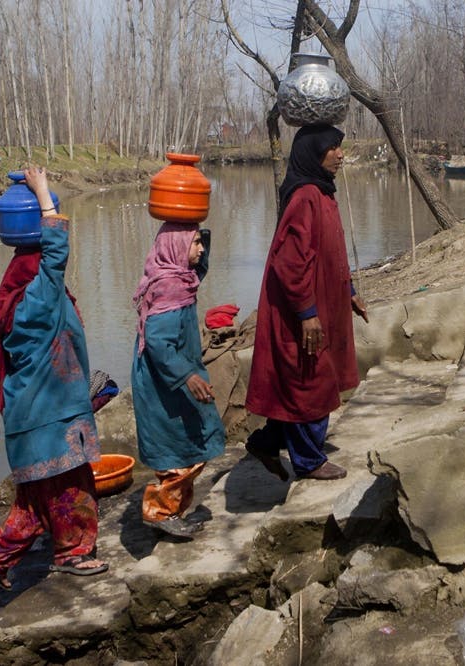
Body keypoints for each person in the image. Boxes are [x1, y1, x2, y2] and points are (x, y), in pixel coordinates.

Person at [0, 165, 107, 589]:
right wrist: (45, 193)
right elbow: (55, 255)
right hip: (49, 417)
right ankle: (73, 553)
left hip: (28, 415)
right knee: (72, 490)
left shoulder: (11, 302)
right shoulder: (37, 300)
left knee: (34, 500)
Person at [244, 124, 369, 482]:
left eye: (340, 148)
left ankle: (267, 442)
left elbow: (329, 255)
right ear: (312, 153)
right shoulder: (303, 198)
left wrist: (349, 292)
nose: (340, 154)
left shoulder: (323, 194)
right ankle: (309, 460)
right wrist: (307, 313)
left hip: (322, 305)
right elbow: (290, 263)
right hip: (300, 312)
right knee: (309, 381)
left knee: (311, 377)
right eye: (333, 148)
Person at [131, 224, 226, 540]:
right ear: (175, 247)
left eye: (201, 242)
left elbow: (201, 265)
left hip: (170, 375)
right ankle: (159, 511)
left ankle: (172, 513)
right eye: (195, 242)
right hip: (165, 380)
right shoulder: (170, 287)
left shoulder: (181, 279)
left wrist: (199, 227)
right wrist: (188, 376)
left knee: (190, 441)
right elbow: (158, 342)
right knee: (180, 448)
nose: (201, 249)